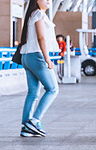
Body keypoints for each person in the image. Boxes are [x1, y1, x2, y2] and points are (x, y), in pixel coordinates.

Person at [19, 0, 60, 137]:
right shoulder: (38, 14)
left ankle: (26, 126)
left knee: (33, 92)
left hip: (26, 56)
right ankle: (35, 121)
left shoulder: (32, 14)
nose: (48, 1)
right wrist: (47, 58)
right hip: (36, 56)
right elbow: (41, 37)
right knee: (53, 89)